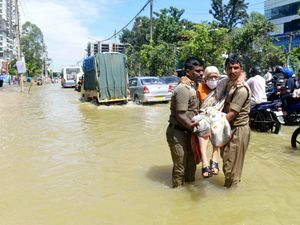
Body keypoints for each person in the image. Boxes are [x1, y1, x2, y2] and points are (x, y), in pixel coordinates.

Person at [166, 57, 204, 188]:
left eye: (202, 71)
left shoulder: (194, 86)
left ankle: (189, 193)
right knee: (180, 168)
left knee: (192, 166)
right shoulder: (183, 89)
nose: (201, 74)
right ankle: (177, 193)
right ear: (188, 71)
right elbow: (180, 114)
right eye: (198, 71)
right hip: (178, 132)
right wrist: (193, 128)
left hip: (189, 131)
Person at [221, 54, 251, 188]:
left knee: (231, 168)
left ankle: (231, 193)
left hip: (238, 130)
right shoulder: (228, 84)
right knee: (227, 161)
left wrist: (212, 126)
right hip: (229, 128)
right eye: (229, 68)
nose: (232, 71)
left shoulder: (241, 89)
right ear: (225, 69)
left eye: (236, 68)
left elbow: (232, 114)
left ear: (241, 69)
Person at [196, 66, 227, 178]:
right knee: (202, 125)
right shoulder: (199, 87)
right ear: (205, 78)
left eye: (216, 77)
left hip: (216, 116)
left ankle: (214, 157)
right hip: (203, 114)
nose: (213, 79)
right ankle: (204, 161)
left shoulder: (222, 87)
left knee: (218, 123)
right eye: (210, 77)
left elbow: (236, 78)